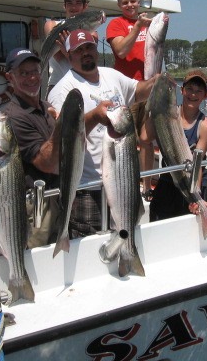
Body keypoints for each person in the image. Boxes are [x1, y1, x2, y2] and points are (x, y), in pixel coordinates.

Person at [47, 29, 156, 238]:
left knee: (126, 235)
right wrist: (95, 116)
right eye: (79, 50)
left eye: (89, 47)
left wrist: (154, 82)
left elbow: (137, 91)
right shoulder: (63, 91)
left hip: (124, 177)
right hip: (88, 188)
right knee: (92, 249)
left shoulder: (111, 75)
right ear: (69, 56)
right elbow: (65, 139)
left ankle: (128, 262)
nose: (85, 52)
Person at [0, 48, 61, 248]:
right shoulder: (12, 116)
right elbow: (46, 162)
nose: (31, 77)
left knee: (59, 258)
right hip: (36, 203)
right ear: (10, 77)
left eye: (35, 71)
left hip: (57, 195)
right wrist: (64, 125)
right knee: (37, 258)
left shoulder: (45, 107)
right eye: (23, 73)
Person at [105, 0, 155, 197]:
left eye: (133, 1)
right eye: (125, 3)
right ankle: (127, 186)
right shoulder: (116, 24)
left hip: (149, 89)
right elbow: (121, 51)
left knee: (147, 139)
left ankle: (147, 186)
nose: (130, 5)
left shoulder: (149, 24)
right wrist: (137, 28)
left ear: (138, 1)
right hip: (128, 93)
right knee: (127, 141)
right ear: (119, 5)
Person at [148, 70, 207, 221]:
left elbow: (198, 163)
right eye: (189, 89)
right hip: (168, 179)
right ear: (182, 90)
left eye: (199, 91)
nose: (193, 94)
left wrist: (195, 196)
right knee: (157, 220)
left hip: (193, 181)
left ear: (205, 96)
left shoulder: (205, 126)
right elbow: (146, 138)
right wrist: (151, 105)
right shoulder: (168, 115)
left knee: (191, 225)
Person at [44, 0, 89, 94]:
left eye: (78, 3)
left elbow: (86, 60)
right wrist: (75, 51)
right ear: (64, 6)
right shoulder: (52, 25)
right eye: (70, 3)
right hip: (57, 84)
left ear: (85, 6)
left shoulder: (91, 32)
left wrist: (65, 48)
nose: (74, 7)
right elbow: (58, 56)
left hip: (82, 84)